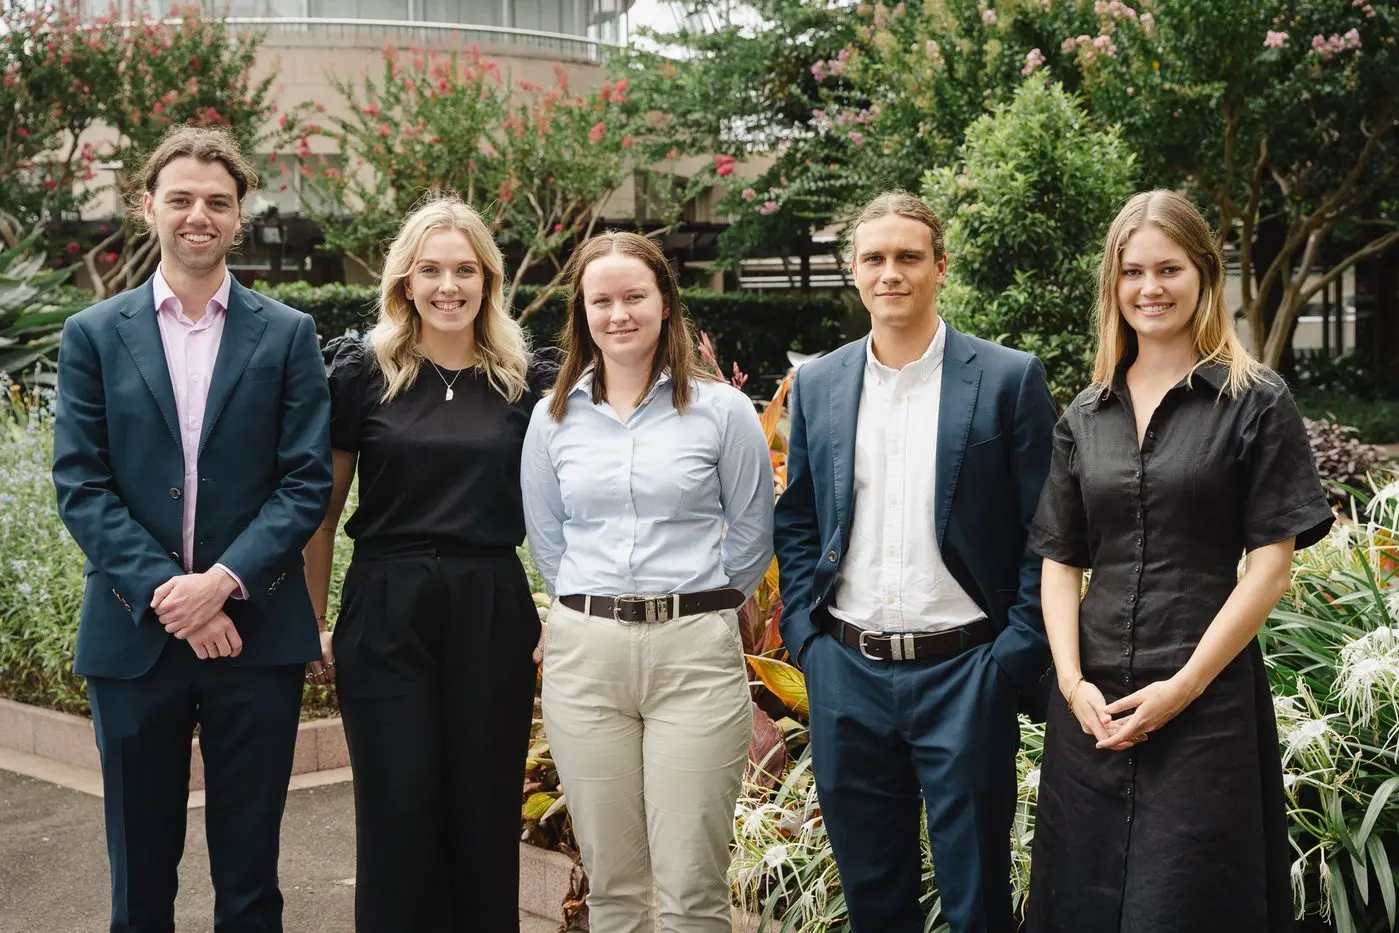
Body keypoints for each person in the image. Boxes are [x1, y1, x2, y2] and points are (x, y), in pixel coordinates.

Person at [1025, 190, 1334, 932]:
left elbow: (1269, 567)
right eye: (1132, 272)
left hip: (1205, 706)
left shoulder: (1255, 402)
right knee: (1079, 905)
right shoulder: (1084, 412)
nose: (1149, 288)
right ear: (1113, 284)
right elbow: (1060, 560)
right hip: (1091, 712)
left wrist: (1184, 685)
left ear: (1202, 274)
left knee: (1187, 903)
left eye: (1168, 268)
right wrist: (1069, 683)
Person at [51, 125, 333, 933]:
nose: (197, 215)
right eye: (180, 199)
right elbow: (81, 482)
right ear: (148, 207)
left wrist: (220, 584)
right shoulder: (94, 335)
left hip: (256, 634)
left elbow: (306, 479)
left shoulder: (287, 334)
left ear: (240, 217)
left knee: (250, 877)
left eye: (217, 201)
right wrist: (168, 592)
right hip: (134, 637)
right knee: (139, 882)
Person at [773, 190, 1057, 933]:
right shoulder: (819, 382)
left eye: (907, 256)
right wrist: (806, 638)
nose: (889, 272)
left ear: (939, 266)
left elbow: (1046, 531)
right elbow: (798, 515)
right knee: (873, 895)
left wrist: (1011, 655)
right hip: (846, 669)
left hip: (966, 669)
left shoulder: (1006, 378)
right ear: (853, 272)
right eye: (873, 258)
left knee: (976, 901)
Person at [305, 196, 547, 931]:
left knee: (482, 809)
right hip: (386, 602)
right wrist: (311, 620)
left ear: (488, 281)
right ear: (404, 282)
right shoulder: (360, 372)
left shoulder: (524, 380)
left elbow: (567, 508)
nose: (449, 285)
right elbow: (322, 508)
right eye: (431, 269)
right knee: (396, 812)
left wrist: (562, 606)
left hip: (491, 602)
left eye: (465, 269)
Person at [521, 231, 774, 933]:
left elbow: (753, 532)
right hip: (586, 656)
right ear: (582, 311)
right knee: (614, 886)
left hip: (692, 653)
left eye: (634, 296)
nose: (618, 313)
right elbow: (548, 538)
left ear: (665, 302)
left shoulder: (722, 412)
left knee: (692, 886)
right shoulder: (552, 419)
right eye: (601, 300)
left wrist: (700, 601)